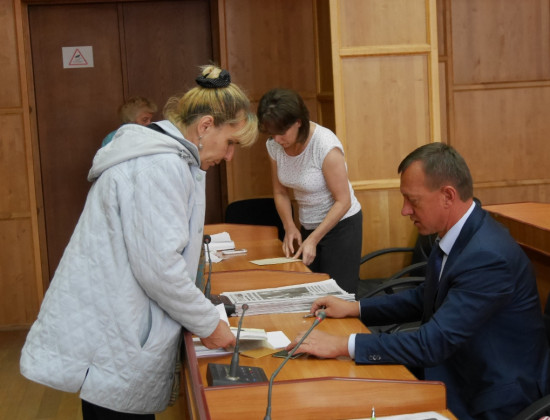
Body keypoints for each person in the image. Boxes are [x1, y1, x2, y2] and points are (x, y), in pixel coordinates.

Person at [20, 65, 258, 419]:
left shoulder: (172, 159)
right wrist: (209, 324)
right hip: (114, 333)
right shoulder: (160, 166)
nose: (229, 157)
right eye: (230, 143)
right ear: (206, 126)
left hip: (118, 327)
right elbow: (160, 269)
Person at [287, 142, 550, 420]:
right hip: (454, 370)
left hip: (489, 398)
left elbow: (432, 343)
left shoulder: (488, 257)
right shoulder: (457, 234)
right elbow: (426, 296)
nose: (404, 210)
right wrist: (355, 308)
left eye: (412, 200)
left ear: (447, 196)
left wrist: (342, 345)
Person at [257, 88, 362, 294]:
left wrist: (313, 238)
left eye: (281, 132)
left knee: (337, 296)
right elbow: (280, 192)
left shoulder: (324, 145)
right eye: (272, 133)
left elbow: (343, 201)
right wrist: (289, 226)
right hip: (308, 224)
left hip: (341, 225)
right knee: (309, 293)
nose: (277, 139)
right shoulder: (275, 146)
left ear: (298, 122)